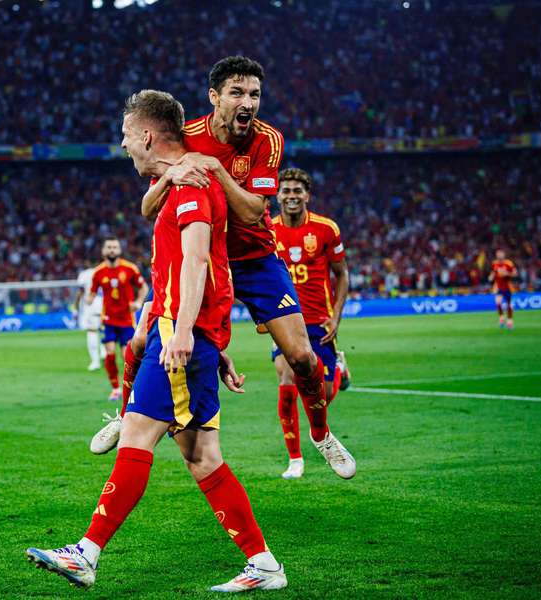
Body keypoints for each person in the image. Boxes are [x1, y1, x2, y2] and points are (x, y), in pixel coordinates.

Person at [27, 89, 287, 593]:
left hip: (177, 338)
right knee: (202, 457)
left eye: (127, 136)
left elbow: (196, 261)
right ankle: (265, 565)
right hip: (193, 338)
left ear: (147, 134)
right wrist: (211, 340)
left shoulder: (190, 186)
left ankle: (85, 554)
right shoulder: (181, 180)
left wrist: (188, 332)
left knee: (138, 436)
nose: (125, 147)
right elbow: (207, 263)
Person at [91, 56, 328, 454]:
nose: (247, 103)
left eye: (254, 94)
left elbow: (254, 212)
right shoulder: (189, 134)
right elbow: (149, 207)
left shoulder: (268, 140)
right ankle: (122, 416)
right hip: (202, 256)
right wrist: (170, 174)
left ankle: (321, 434)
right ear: (214, 97)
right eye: (237, 93)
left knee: (302, 356)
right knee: (138, 341)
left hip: (254, 258)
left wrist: (215, 171)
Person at [271, 168, 355, 480]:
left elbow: (342, 273)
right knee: (287, 379)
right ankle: (295, 459)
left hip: (319, 320)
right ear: (277, 195)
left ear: (307, 195)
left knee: (325, 390)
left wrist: (335, 316)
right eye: (286, 191)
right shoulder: (267, 230)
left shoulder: (325, 228)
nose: (291, 196)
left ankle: (339, 371)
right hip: (283, 320)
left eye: (297, 191)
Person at [89, 238, 148, 400]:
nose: (112, 250)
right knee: (109, 354)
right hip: (107, 320)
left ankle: (133, 388)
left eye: (115, 247)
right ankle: (115, 388)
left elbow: (144, 287)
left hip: (126, 320)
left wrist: (138, 302)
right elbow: (92, 293)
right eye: (109, 247)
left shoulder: (130, 268)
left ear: (120, 250)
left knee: (127, 356)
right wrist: (89, 299)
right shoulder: (98, 272)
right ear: (103, 251)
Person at [76, 261, 104, 371]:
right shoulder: (103, 271)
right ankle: (104, 351)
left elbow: (80, 292)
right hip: (104, 303)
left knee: (92, 331)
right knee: (104, 329)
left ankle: (95, 361)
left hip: (91, 303)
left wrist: (76, 306)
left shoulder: (84, 274)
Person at [489, 250, 517, 329]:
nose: (499, 256)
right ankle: (501, 318)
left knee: (509, 305)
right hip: (498, 286)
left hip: (507, 286)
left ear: (504, 255)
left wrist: (507, 273)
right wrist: (491, 276)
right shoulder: (494, 263)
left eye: (501, 254)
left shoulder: (509, 263)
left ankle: (510, 321)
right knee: (498, 302)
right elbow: (493, 272)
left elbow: (515, 273)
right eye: (498, 254)